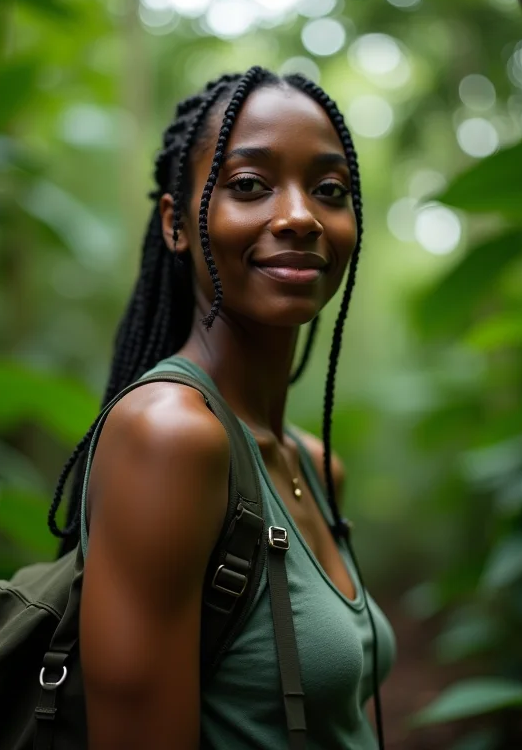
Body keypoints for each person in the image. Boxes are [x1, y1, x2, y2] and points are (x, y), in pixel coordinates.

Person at [49, 66, 395, 749]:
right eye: (249, 185)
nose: (300, 216)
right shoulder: (170, 437)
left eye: (329, 190)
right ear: (175, 224)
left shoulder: (316, 464)